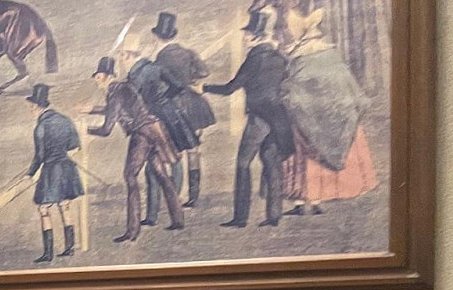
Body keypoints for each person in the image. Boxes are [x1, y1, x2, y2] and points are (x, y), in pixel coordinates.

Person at [279, 2, 377, 216]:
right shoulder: (326, 53)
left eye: (291, 25)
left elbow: (298, 89)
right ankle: (310, 200)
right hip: (324, 112)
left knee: (306, 147)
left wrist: (286, 92)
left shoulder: (305, 56)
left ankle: (308, 200)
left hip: (312, 115)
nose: (288, 30)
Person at [204, 11, 295, 227]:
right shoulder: (280, 58)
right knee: (271, 163)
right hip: (279, 119)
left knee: (243, 163)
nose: (244, 38)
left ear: (255, 36)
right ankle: (274, 216)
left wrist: (204, 87)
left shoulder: (254, 59)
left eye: (247, 34)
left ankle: (240, 218)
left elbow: (230, 88)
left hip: (259, 119)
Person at [88, 55, 184, 243]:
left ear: (109, 76)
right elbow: (116, 110)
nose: (97, 82)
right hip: (154, 130)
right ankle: (178, 219)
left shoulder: (115, 93)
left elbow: (106, 129)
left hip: (141, 134)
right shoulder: (124, 88)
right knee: (161, 174)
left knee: (130, 176)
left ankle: (132, 231)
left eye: (99, 77)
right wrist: (92, 109)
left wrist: (85, 130)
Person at [146, 11, 215, 215]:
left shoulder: (159, 59)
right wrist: (190, 80)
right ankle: (193, 196)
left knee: (175, 152)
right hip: (195, 106)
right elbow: (204, 72)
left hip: (174, 107)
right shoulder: (188, 52)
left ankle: (175, 196)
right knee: (193, 151)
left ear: (157, 37)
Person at [125, 34, 194, 228]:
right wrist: (163, 99)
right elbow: (178, 86)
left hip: (151, 122)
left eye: (123, 55)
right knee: (167, 164)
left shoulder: (135, 75)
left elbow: (131, 101)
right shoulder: (155, 67)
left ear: (129, 56)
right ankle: (171, 213)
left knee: (154, 169)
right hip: (168, 116)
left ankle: (153, 215)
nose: (122, 60)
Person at [24, 83, 84, 263]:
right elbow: (75, 146)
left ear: (37, 107)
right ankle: (69, 248)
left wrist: (30, 173)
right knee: (64, 205)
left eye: (31, 108)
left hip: (52, 170)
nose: (31, 111)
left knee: (43, 209)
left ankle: (48, 253)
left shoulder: (40, 126)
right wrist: (63, 155)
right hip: (67, 168)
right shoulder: (65, 120)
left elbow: (40, 156)